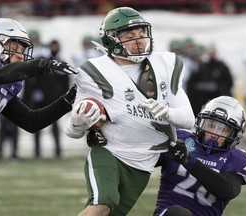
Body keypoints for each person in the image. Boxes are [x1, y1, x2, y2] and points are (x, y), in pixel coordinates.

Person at [64, 7, 195, 216]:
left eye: (141, 34)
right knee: (101, 205)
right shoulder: (93, 71)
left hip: (144, 162)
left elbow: (189, 120)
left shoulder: (165, 63)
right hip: (111, 151)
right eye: (129, 36)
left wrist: (166, 112)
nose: (139, 40)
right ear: (111, 41)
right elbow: (72, 131)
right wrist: (79, 122)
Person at [0, 18, 78, 216]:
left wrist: (70, 98)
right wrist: (41, 65)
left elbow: (32, 121)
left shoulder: (7, 83)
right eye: (14, 44)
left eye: (23, 47)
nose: (20, 52)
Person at [154, 96, 246, 216]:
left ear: (235, 134)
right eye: (211, 126)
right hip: (169, 212)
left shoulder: (236, 159)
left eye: (223, 129)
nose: (214, 133)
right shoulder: (180, 139)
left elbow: (227, 190)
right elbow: (144, 161)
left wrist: (188, 161)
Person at [187, 44, 234, 116]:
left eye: (213, 52)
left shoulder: (222, 67)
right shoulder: (200, 67)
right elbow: (191, 85)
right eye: (210, 52)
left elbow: (229, 83)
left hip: (218, 100)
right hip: (202, 102)